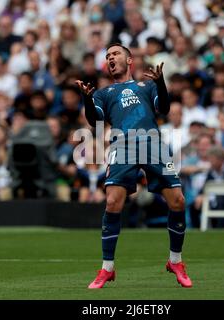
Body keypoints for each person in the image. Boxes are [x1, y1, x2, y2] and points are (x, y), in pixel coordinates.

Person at [76, 43, 192, 289]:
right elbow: (95, 121)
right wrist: (87, 100)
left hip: (152, 142)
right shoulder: (103, 94)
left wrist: (160, 84)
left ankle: (176, 261)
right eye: (107, 56)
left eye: (115, 53)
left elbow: (164, 108)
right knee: (112, 202)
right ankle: (107, 268)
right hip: (122, 145)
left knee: (178, 200)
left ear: (129, 60)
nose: (110, 58)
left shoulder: (147, 86)